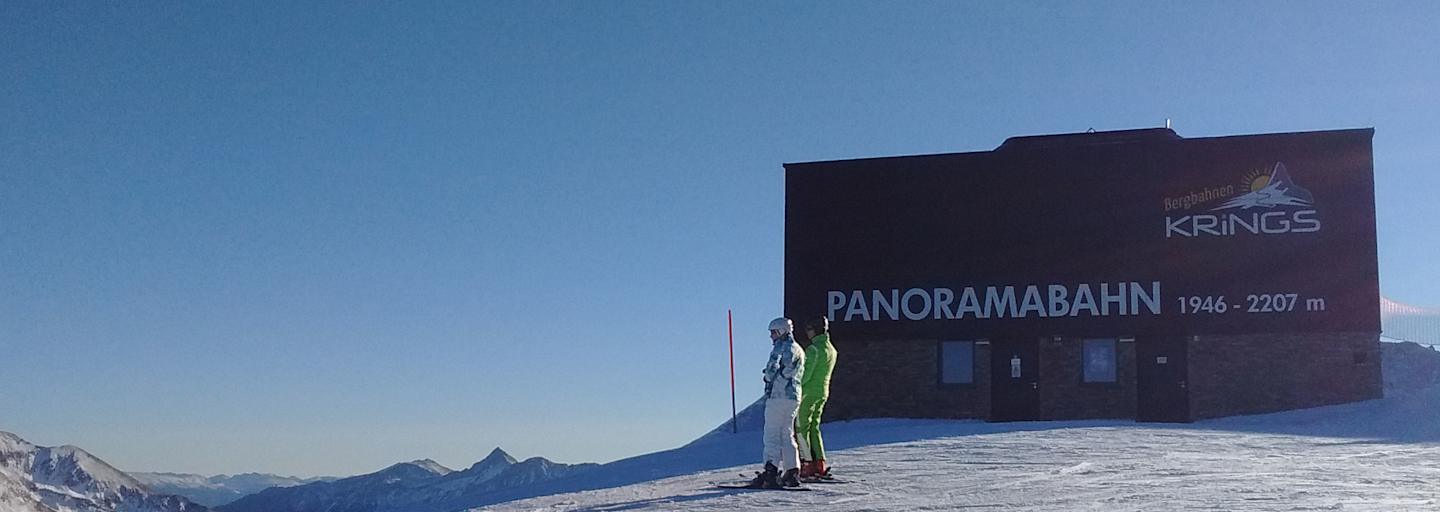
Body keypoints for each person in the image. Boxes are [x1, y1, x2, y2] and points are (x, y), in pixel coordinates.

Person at [750, 316, 805, 488]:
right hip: (793, 397)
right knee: (787, 433)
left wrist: (768, 376)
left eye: (773, 332)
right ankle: (792, 471)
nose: (771, 336)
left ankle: (771, 471)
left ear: (782, 331)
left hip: (778, 396)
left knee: (772, 433)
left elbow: (774, 369)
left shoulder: (781, 348)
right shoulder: (798, 349)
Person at [797, 316, 837, 480]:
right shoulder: (831, 349)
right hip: (823, 391)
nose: (807, 333)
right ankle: (819, 462)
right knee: (814, 426)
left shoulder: (813, 350)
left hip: (808, 392)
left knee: (801, 427)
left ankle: (807, 463)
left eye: (809, 329)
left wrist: (796, 383)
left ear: (815, 329)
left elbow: (806, 375)